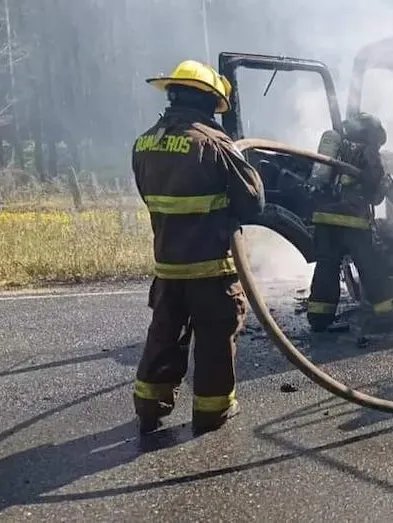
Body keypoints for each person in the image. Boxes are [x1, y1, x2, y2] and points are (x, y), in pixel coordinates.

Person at [131, 59, 265, 434]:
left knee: (164, 333)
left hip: (168, 265)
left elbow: (150, 197)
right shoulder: (213, 143)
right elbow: (253, 203)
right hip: (210, 266)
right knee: (215, 337)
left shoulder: (144, 142)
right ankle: (212, 411)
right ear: (208, 102)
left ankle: (149, 406)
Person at [305, 112, 393, 333]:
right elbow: (373, 191)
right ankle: (386, 313)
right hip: (352, 222)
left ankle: (319, 318)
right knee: (371, 265)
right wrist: (390, 187)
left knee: (326, 267)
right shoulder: (367, 152)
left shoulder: (337, 148)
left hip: (323, 220)